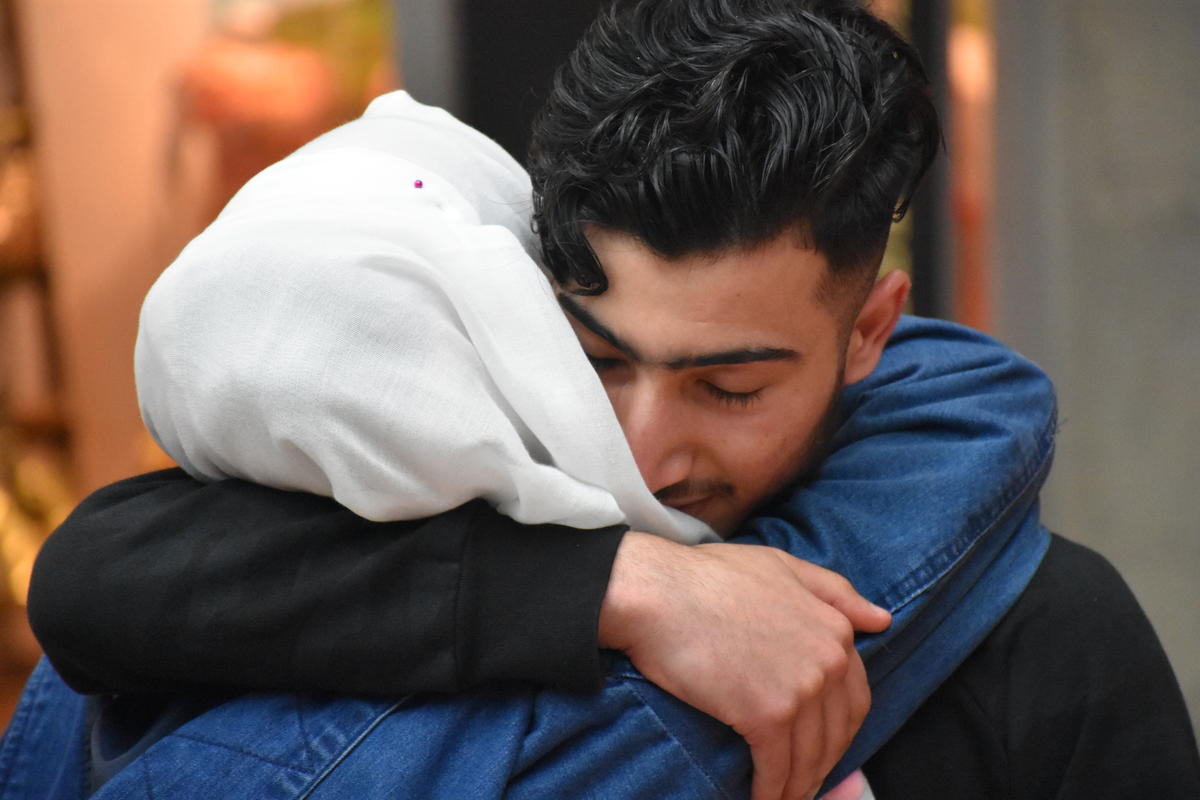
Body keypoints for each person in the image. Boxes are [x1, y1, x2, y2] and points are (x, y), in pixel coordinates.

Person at [4, 0, 1198, 798]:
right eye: (598, 357)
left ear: (870, 333)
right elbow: (96, 579)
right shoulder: (450, 448)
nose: (642, 447)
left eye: (730, 386)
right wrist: (623, 583)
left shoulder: (1050, 641)